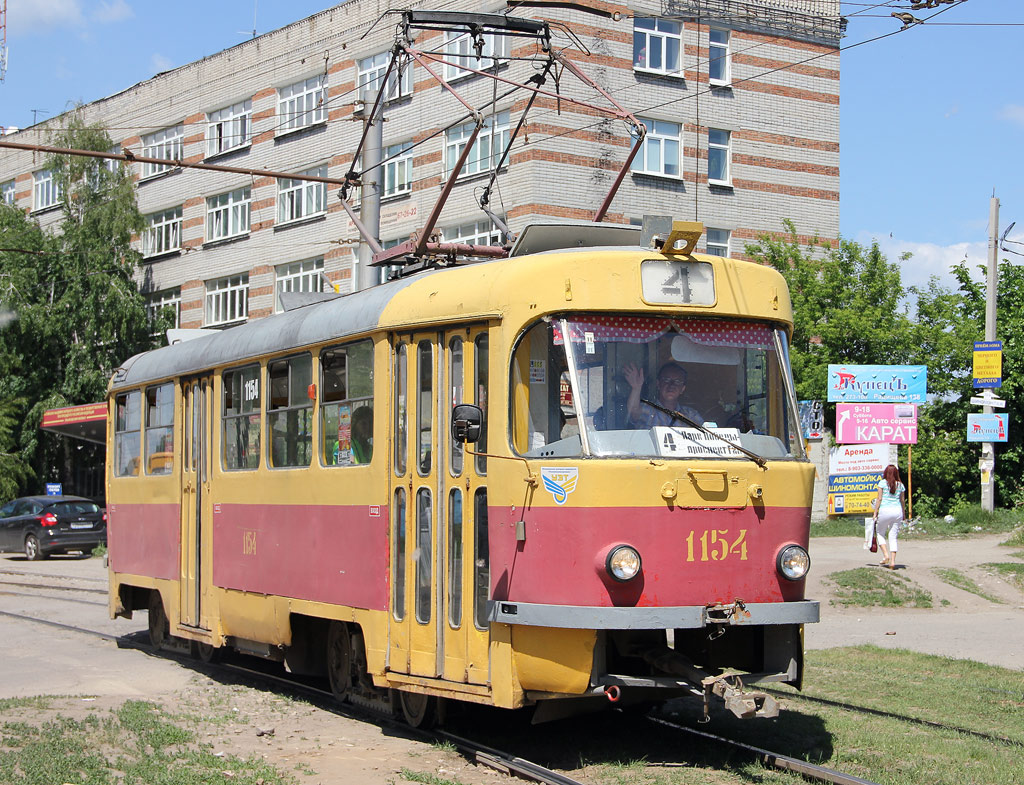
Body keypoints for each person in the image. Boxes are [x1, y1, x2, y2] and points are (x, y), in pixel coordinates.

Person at [624, 361, 703, 428]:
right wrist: (636, 388)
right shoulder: (649, 410)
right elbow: (633, 411)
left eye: (677, 382)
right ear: (658, 384)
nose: (672, 385)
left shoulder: (690, 415)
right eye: (667, 380)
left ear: (682, 389)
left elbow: (705, 435)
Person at [872, 464, 906, 570]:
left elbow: (879, 499)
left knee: (879, 532)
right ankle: (892, 561)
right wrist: (904, 514)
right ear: (896, 473)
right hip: (897, 512)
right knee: (893, 536)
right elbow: (902, 501)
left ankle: (886, 555)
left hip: (885, 511)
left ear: (885, 473)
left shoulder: (882, 483)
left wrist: (875, 513)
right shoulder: (900, 485)